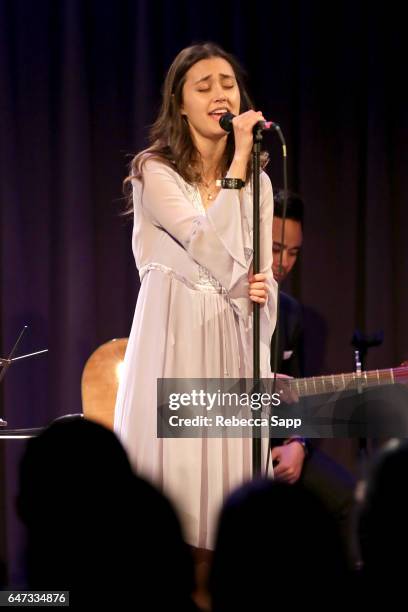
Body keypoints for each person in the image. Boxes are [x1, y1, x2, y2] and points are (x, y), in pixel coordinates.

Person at [114, 42, 278, 553]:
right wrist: (242, 158)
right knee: (176, 498)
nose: (219, 94)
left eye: (227, 84)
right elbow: (206, 242)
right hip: (175, 342)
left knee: (227, 509)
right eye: (202, 86)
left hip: (230, 343)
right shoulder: (154, 171)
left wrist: (260, 290)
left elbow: (263, 274)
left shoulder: (262, 183)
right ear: (179, 104)